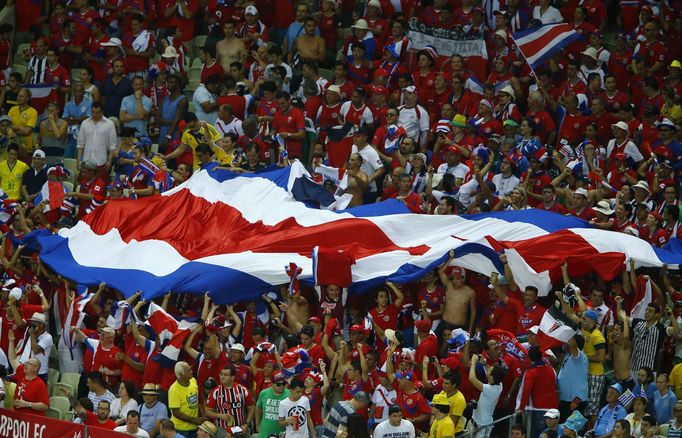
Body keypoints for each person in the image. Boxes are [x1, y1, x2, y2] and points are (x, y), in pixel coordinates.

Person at [77, 101, 118, 179]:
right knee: (84, 187)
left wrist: (109, 162)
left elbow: (112, 146)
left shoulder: (109, 124)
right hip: (86, 162)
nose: (94, 115)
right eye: (93, 112)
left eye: (97, 113)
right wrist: (79, 160)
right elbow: (80, 144)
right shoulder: (85, 123)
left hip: (101, 162)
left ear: (102, 112)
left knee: (99, 188)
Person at [438, 251, 476, 334]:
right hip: (446, 323)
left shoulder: (470, 292)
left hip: (460, 326)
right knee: (444, 345)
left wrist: (470, 329)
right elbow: (440, 271)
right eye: (453, 278)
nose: (455, 281)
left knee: (458, 347)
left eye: (458, 278)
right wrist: (450, 259)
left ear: (463, 279)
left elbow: (473, 311)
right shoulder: (448, 285)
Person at [469, 354, 504, 438]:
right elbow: (491, 372)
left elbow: (472, 378)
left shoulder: (490, 389)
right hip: (477, 421)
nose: (487, 372)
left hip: (482, 426)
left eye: (489, 372)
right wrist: (484, 364)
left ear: (492, 377)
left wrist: (473, 363)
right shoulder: (500, 384)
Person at [168, 361, 202, 437]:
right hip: (181, 429)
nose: (191, 372)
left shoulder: (193, 381)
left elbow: (197, 401)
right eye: (188, 371)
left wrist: (201, 415)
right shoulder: (174, 390)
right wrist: (195, 420)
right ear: (181, 374)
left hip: (194, 427)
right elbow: (176, 413)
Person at [256, 371, 290, 438]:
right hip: (264, 433)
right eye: (278, 384)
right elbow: (258, 408)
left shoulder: (289, 395)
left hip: (283, 434)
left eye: (283, 383)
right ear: (272, 383)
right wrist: (257, 425)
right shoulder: (264, 393)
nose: (282, 386)